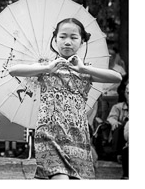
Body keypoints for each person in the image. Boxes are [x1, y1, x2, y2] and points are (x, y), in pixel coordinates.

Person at [9, 17, 122, 179]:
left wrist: (83, 68)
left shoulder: (84, 70)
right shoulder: (46, 66)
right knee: (59, 179)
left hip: (77, 136)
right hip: (49, 133)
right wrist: (47, 67)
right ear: (55, 39)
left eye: (74, 37)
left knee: (77, 188)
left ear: (82, 41)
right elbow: (13, 70)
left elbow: (117, 77)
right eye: (62, 37)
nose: (67, 42)